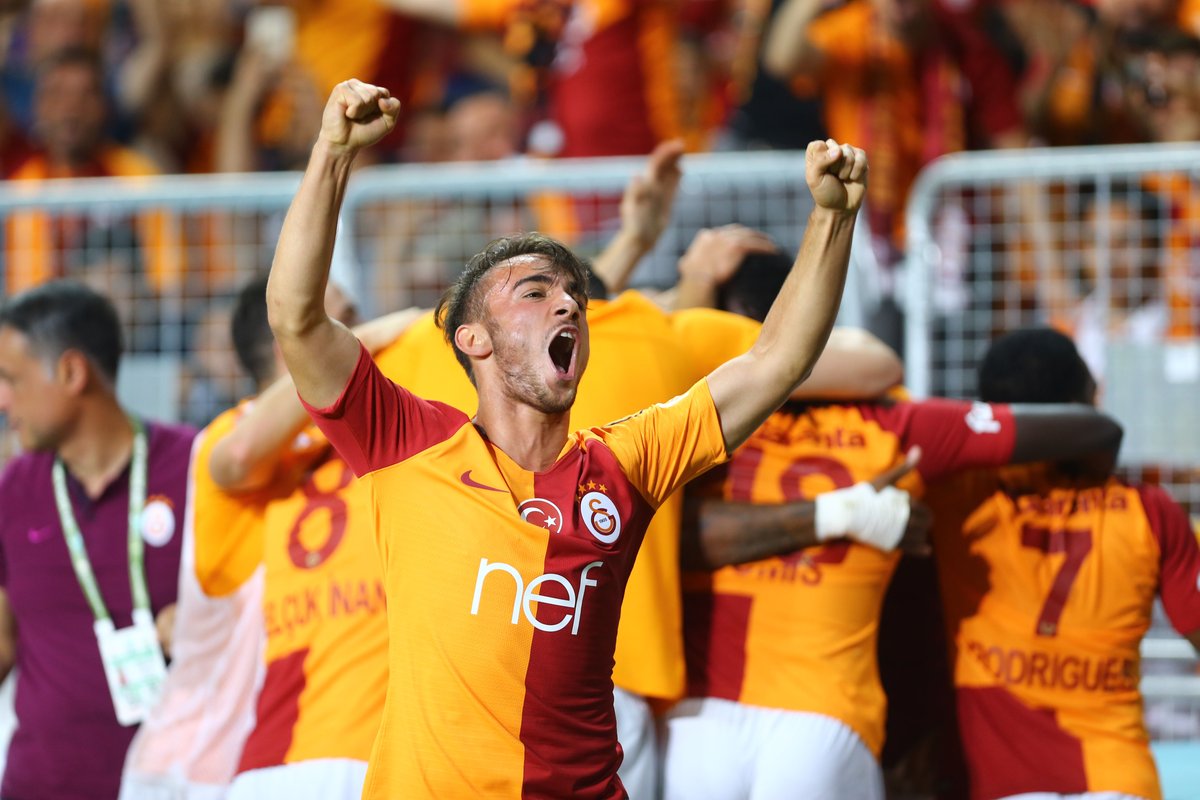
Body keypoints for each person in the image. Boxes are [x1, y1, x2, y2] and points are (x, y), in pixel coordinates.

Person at [267, 77, 865, 797]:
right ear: (473, 339)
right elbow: (296, 317)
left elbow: (779, 360)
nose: (569, 305)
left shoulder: (625, 463)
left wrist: (832, 219)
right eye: (536, 293)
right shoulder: (407, 442)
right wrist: (333, 152)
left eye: (574, 295)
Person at [661, 249, 1125, 800]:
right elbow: (1090, 429)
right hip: (823, 720)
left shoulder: (693, 423)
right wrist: (846, 515)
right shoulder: (900, 422)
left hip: (696, 725)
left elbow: (671, 538)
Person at [122, 274, 418, 800]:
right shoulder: (229, 437)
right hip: (220, 764)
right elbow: (240, 455)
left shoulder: (375, 433)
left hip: (342, 752)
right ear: (295, 342)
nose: (370, 331)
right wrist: (356, 344)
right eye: (344, 322)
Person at [927, 327, 1200, 800]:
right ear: (1085, 402)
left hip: (1002, 787)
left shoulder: (958, 498)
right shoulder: (1150, 511)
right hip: (1118, 781)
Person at [0, 281, 195, 800]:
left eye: (11, 379)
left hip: (176, 783)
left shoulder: (196, 468)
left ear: (71, 372)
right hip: (39, 786)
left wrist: (204, 621)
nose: (2, 399)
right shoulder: (13, 490)